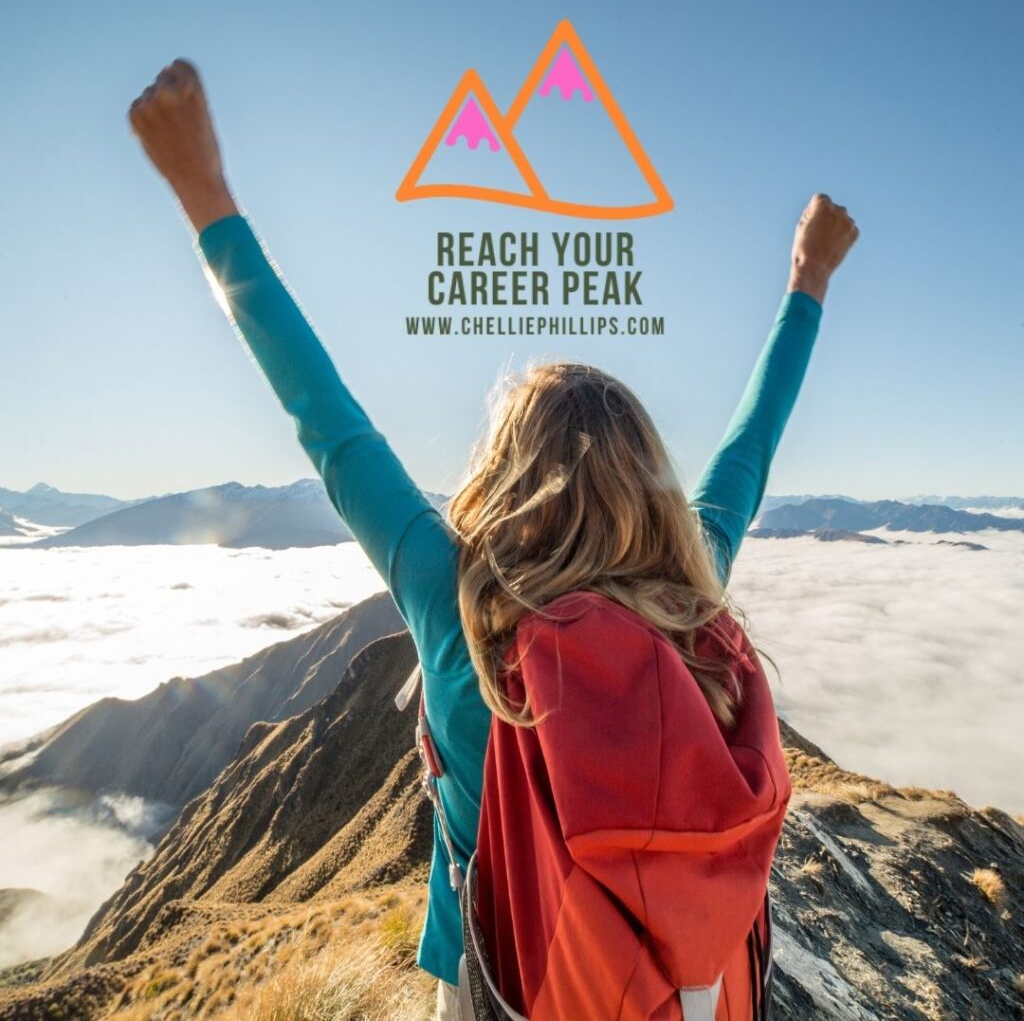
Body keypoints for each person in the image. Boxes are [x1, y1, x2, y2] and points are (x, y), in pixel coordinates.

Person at [128, 59, 858, 1020]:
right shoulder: (691, 594)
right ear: (649, 485)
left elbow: (328, 422)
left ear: (505, 473)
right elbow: (748, 452)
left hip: (500, 984)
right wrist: (808, 278)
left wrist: (204, 196)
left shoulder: (458, 601)